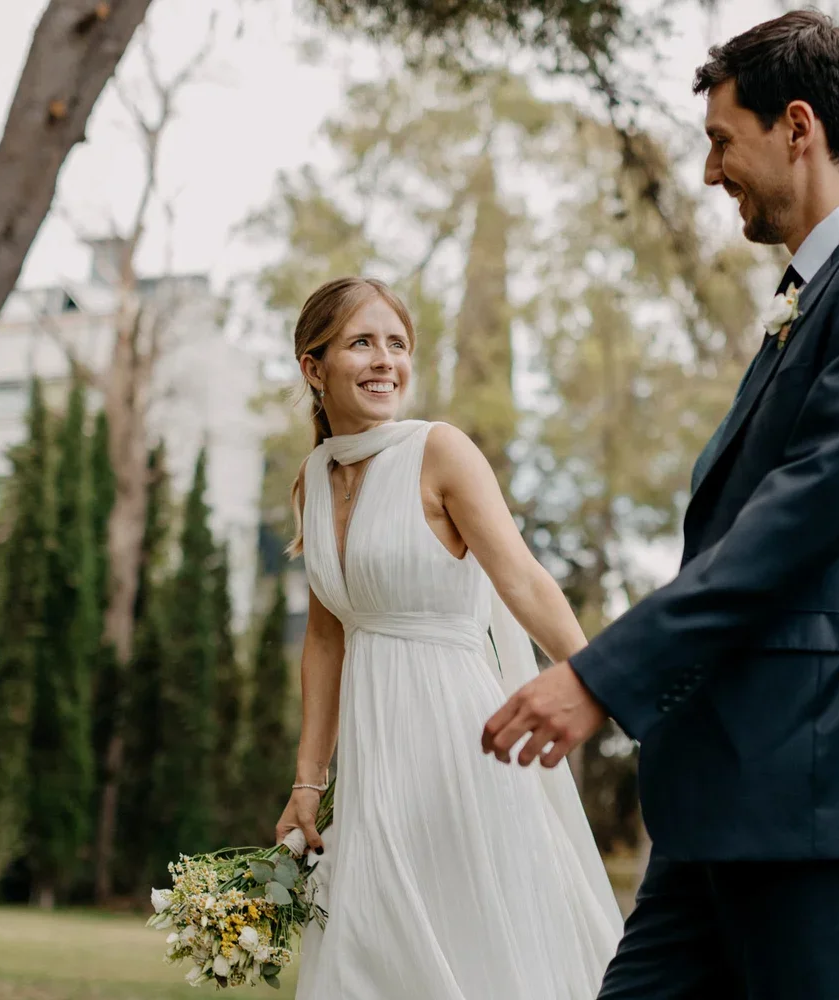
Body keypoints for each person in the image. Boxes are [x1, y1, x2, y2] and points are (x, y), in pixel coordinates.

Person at [482, 12, 839, 999]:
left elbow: (805, 511)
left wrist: (602, 676)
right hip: (730, 786)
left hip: (816, 781)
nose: (711, 173)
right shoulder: (817, 290)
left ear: (797, 126)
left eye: (721, 140)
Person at [275, 276, 622, 1000]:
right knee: (373, 943)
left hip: (460, 738)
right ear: (314, 368)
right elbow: (326, 639)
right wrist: (309, 779)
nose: (384, 362)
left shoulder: (440, 451)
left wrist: (603, 678)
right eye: (360, 343)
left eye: (396, 345)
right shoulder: (313, 478)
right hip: (373, 756)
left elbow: (523, 580)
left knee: (470, 938)